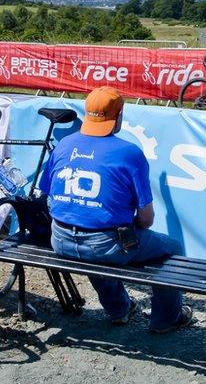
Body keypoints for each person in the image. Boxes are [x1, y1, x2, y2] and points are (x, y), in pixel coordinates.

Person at [41, 86, 194, 333]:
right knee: (170, 248)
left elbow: (48, 194)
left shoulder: (65, 144)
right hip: (104, 245)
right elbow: (147, 220)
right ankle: (166, 319)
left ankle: (118, 309)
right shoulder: (129, 153)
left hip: (60, 240)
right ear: (119, 115)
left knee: (95, 234)